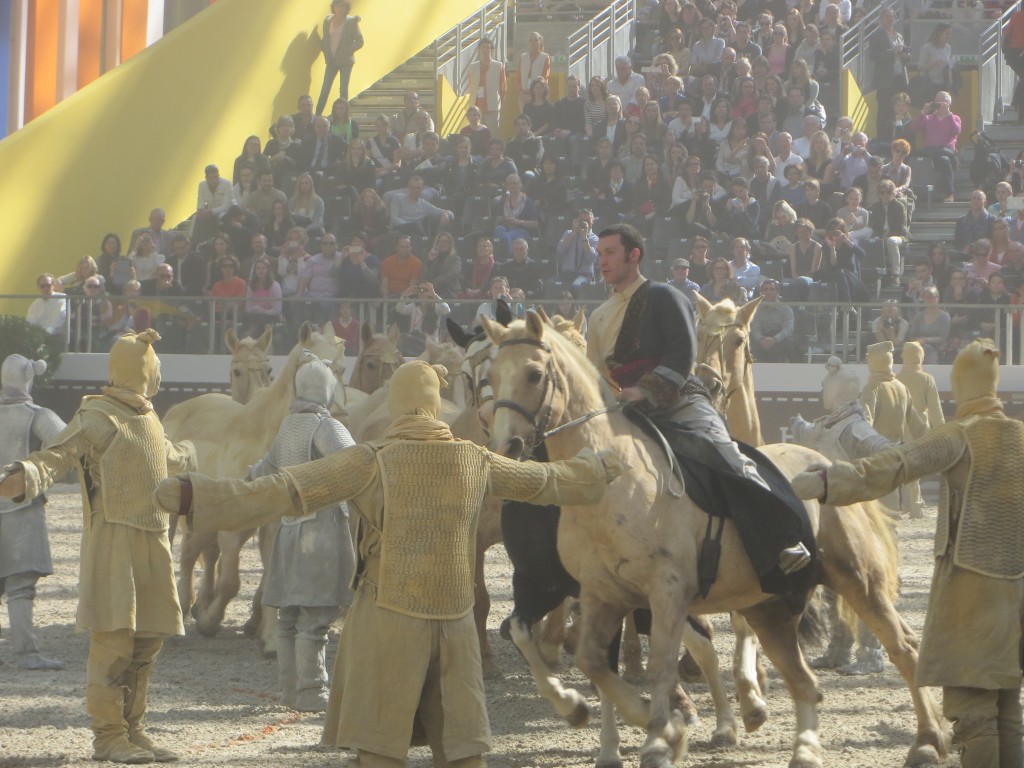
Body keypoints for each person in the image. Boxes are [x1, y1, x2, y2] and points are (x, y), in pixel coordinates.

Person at [154, 360, 621, 768]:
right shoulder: (474, 460)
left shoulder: (369, 461)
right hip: (456, 626)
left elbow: (280, 492)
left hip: (387, 620)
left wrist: (199, 496)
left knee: (379, 751)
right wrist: (597, 469)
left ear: (396, 406)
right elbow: (544, 481)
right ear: (437, 406)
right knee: (463, 753)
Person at [791, 338, 1024, 768]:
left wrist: (827, 483)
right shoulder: (1019, 435)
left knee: (973, 712)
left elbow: (896, 464)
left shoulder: (959, 434)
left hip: (974, 590)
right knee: (1008, 708)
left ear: (961, 386)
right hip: (1018, 585)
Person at [0, 331, 196, 764]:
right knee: (115, 640)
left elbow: (165, 457)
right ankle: (108, 736)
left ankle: (133, 729)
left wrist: (192, 453)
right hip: (113, 542)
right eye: (154, 364)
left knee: (147, 641)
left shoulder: (148, 416)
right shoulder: (97, 416)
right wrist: (24, 476)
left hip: (153, 537)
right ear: (142, 370)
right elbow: (58, 455)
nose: (158, 371)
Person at [587, 223, 812, 590]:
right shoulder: (598, 316)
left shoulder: (663, 296)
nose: (602, 261)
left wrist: (646, 389)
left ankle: (782, 538)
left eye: (610, 252)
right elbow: (595, 371)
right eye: (599, 254)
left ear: (634, 255)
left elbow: (683, 352)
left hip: (679, 400)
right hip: (625, 410)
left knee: (723, 453)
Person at [251, 352, 356, 712]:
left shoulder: (287, 426)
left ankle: (289, 689)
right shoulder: (326, 427)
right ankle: (312, 691)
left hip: (288, 530)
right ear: (327, 390)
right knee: (315, 618)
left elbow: (262, 470)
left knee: (289, 617)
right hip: (321, 532)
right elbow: (356, 466)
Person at [0, 355, 66, 670]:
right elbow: (68, 443)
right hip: (21, 508)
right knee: (20, 587)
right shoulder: (37, 415)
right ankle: (27, 653)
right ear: (29, 378)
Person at [315, 0, 363, 115]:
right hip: (331, 60)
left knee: (343, 90)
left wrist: (347, 51)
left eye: (343, 6)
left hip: (346, 61)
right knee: (325, 89)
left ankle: (344, 117)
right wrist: (324, 49)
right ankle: (317, 116)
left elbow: (360, 41)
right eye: (338, 6)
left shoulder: (351, 22)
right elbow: (325, 38)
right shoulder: (328, 21)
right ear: (333, 7)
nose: (340, 8)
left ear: (347, 8)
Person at [467, 38, 506, 133]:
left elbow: (503, 88)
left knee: (492, 135)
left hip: (492, 108)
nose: (485, 50)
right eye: (483, 47)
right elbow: (471, 85)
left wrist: (501, 104)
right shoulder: (472, 67)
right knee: (475, 136)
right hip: (475, 109)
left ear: (492, 51)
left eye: (488, 48)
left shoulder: (499, 66)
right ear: (478, 50)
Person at [750, 279, 795, 361]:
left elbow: (788, 329)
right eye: (765, 289)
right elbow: (755, 328)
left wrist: (774, 340)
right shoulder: (757, 310)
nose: (768, 292)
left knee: (789, 342)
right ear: (761, 293)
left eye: (772, 289)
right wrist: (761, 339)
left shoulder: (786, 309)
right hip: (762, 340)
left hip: (780, 341)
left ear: (777, 292)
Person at [27, 273, 67, 338]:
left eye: (48, 285)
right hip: (39, 336)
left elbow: (59, 318)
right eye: (42, 286)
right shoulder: (35, 303)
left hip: (57, 337)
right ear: (38, 287)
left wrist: (46, 333)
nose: (45, 288)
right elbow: (30, 321)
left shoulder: (62, 298)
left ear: (53, 286)